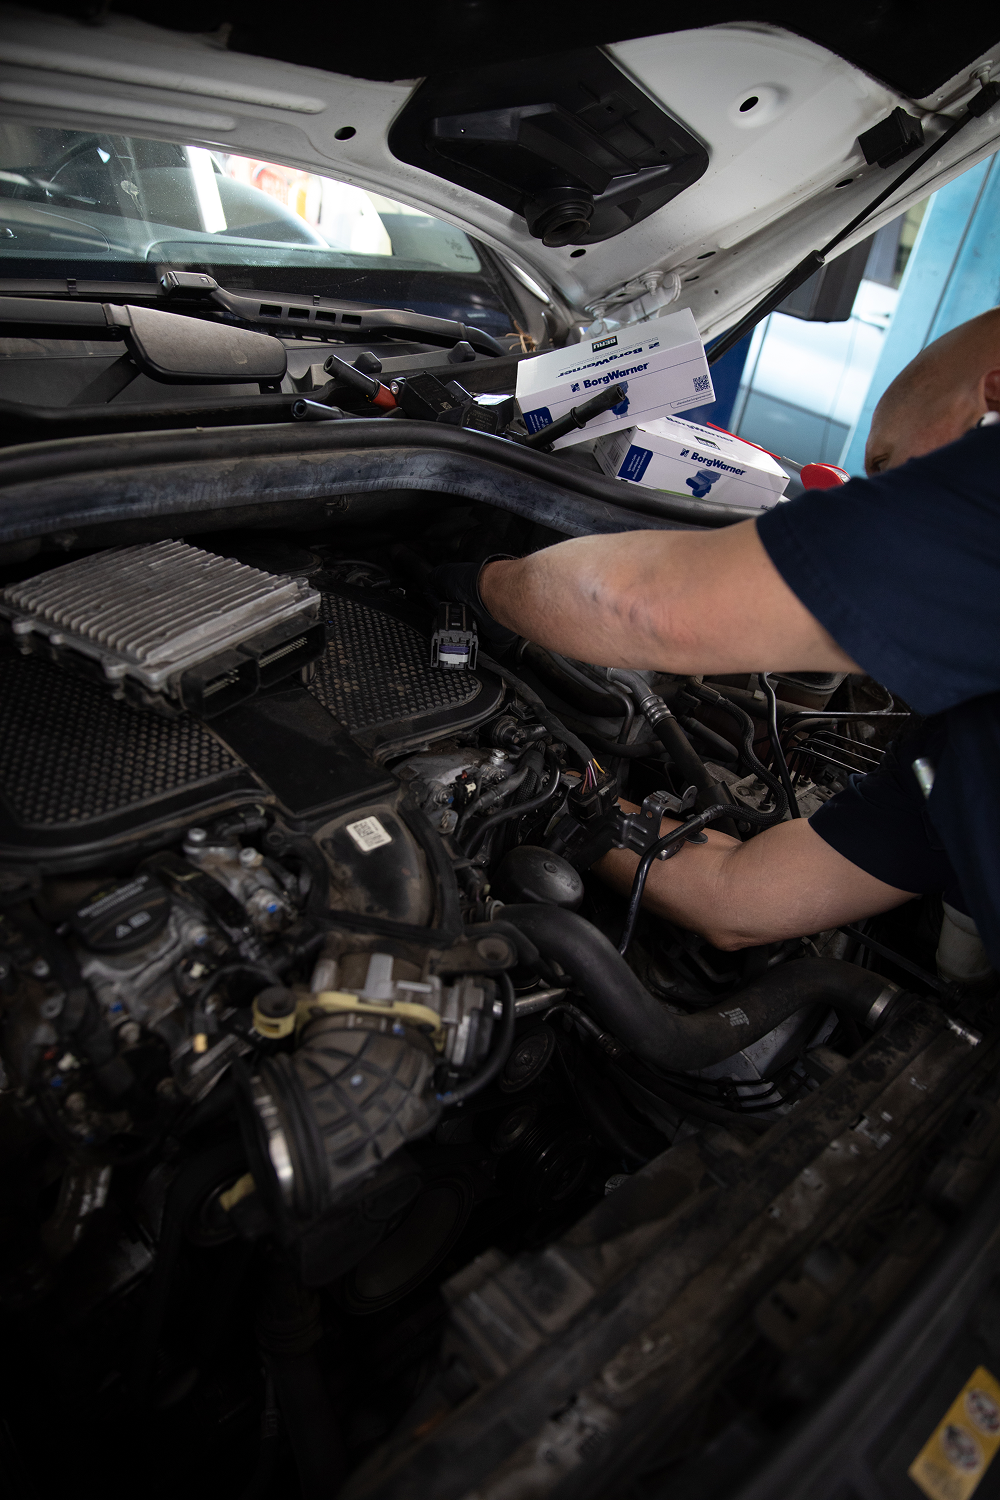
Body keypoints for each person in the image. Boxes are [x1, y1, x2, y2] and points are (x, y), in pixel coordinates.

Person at [460, 308, 1000, 960]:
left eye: (886, 469)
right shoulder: (961, 756)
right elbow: (735, 897)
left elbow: (643, 609)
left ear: (990, 405)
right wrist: (553, 786)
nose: (878, 495)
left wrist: (479, 580)